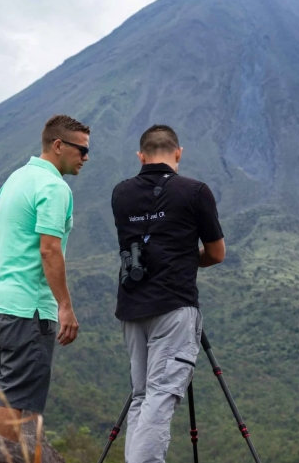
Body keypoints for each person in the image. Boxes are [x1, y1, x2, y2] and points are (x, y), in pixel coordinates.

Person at [111, 125, 225, 463]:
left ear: (140, 156)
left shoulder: (121, 193)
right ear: (179, 153)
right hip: (174, 306)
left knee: (141, 396)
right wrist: (185, 258)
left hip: (132, 307)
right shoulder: (195, 191)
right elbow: (216, 254)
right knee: (160, 396)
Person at [0, 114, 90, 441]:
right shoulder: (54, 188)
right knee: (17, 404)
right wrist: (65, 307)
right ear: (58, 145)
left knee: (6, 397)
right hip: (29, 312)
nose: (85, 157)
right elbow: (49, 249)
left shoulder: (15, 180)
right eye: (81, 150)